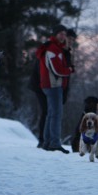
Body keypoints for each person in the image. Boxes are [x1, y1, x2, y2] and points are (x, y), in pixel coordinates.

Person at [35, 24, 73, 153]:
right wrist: (69, 70)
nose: (63, 36)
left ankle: (47, 142)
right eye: (60, 34)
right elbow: (56, 70)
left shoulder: (56, 48)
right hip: (53, 85)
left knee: (51, 114)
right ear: (55, 34)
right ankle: (55, 143)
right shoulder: (53, 49)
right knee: (56, 115)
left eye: (64, 34)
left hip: (52, 85)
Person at [28, 58, 47, 148]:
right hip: (42, 86)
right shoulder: (47, 51)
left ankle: (43, 139)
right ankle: (43, 139)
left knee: (46, 112)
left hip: (41, 85)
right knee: (46, 112)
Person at [62, 28, 77, 104]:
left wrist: (71, 67)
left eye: (73, 39)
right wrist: (70, 69)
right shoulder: (59, 51)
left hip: (65, 83)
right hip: (57, 85)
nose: (71, 41)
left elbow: (68, 66)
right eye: (69, 38)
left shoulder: (68, 52)